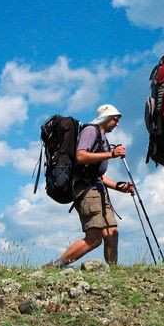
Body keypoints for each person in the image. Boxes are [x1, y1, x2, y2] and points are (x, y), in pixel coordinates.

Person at [44, 104, 133, 267]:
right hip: (86, 189)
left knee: (112, 231)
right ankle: (55, 266)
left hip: (97, 188)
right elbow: (81, 156)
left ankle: (113, 272)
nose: (117, 123)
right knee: (94, 238)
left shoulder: (102, 137)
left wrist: (120, 187)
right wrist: (112, 154)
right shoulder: (91, 131)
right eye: (115, 119)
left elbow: (98, 175)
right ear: (106, 118)